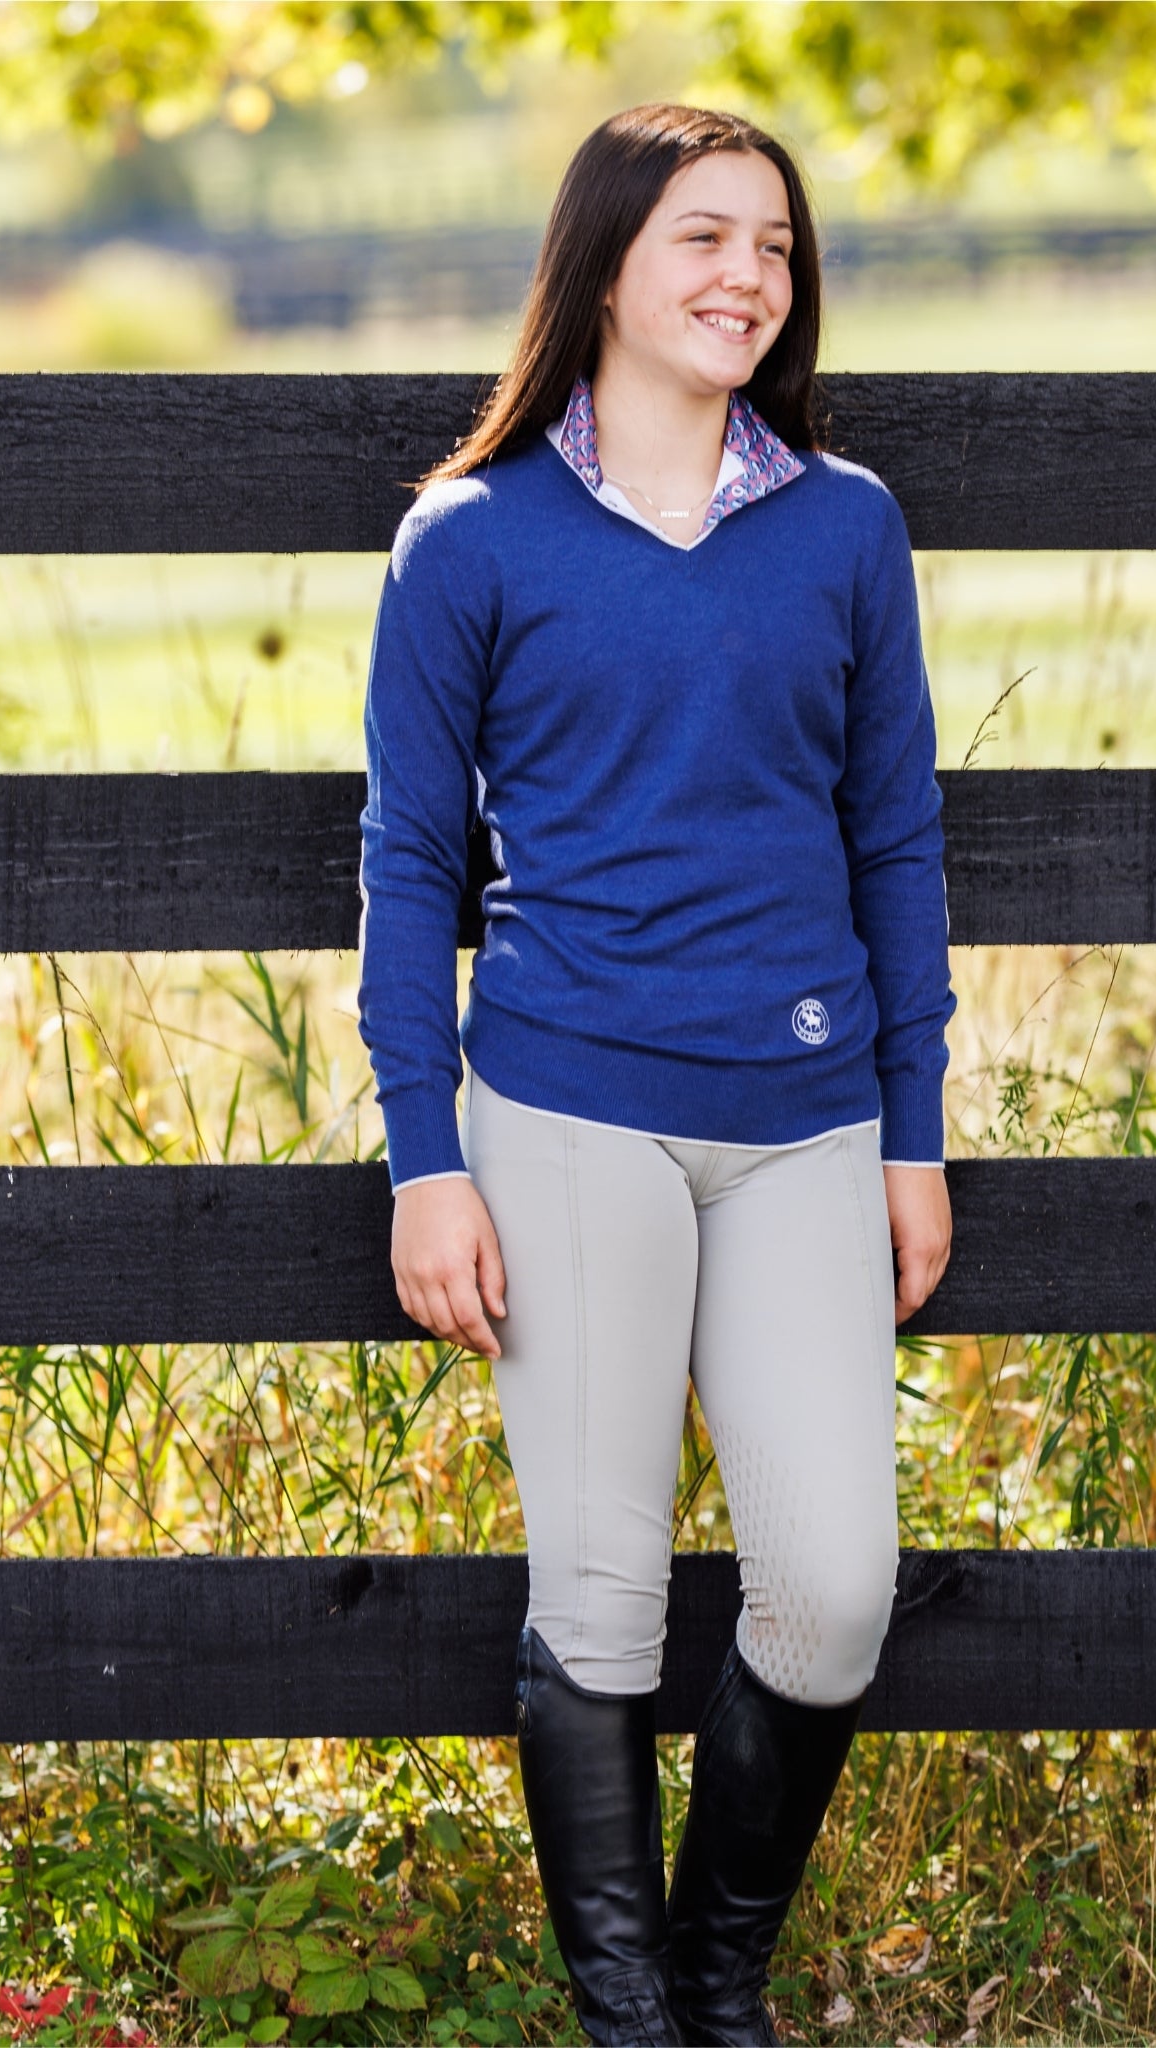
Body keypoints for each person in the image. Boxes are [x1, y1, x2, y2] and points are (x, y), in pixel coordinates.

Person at [356, 100, 956, 2048]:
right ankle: (636, 2014)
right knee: (602, 1589)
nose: (746, 278)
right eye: (706, 236)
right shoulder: (471, 537)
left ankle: (717, 1971)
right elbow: (405, 863)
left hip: (807, 1118)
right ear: (607, 260)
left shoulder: (846, 528)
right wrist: (421, 1156)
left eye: (776, 248)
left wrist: (917, 1132)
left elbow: (896, 843)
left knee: (836, 1589)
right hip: (564, 1108)